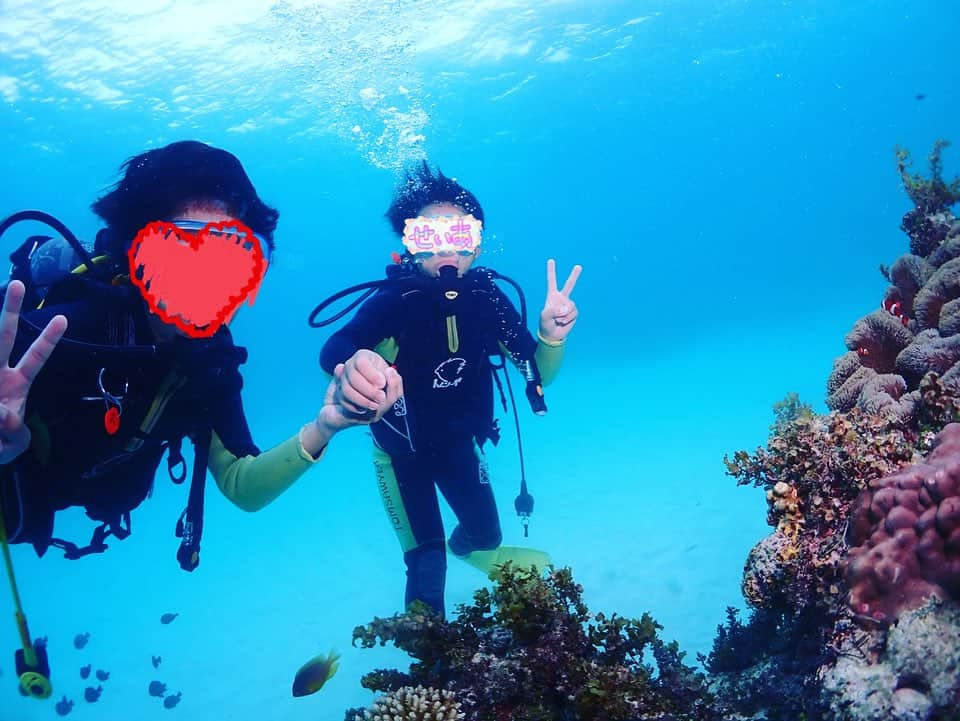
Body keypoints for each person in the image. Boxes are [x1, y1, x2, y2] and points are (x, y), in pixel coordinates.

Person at [0, 140, 401, 567]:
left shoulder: (209, 361)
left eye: (230, 260)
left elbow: (241, 483)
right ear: (131, 259)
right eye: (177, 256)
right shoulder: (61, 334)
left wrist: (325, 426)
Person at [319, 162, 581, 617]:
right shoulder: (394, 302)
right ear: (408, 244)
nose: (448, 253)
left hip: (460, 444)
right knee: (427, 569)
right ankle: (433, 670)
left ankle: (469, 552)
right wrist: (351, 366)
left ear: (476, 243)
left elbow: (535, 372)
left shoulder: (487, 300)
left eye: (459, 236)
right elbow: (335, 346)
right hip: (401, 455)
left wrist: (551, 337)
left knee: (486, 537)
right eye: (428, 237)